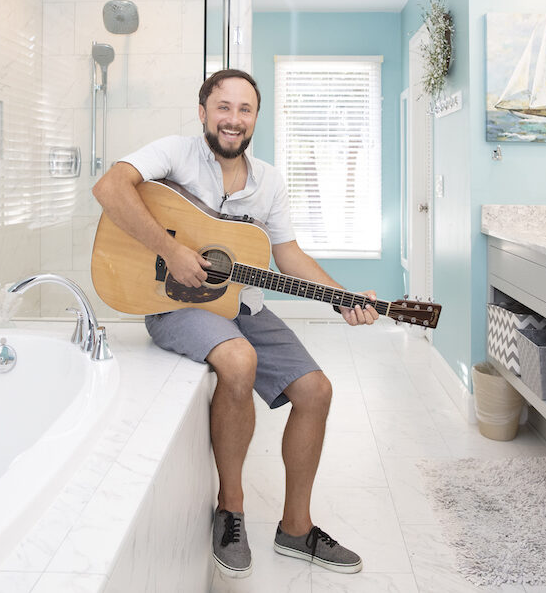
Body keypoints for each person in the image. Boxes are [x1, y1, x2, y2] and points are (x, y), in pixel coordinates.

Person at [92, 68, 379, 578]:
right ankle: (232, 508)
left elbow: (287, 255)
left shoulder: (269, 181)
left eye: (244, 110)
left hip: (241, 305)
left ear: (255, 120)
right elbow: (110, 187)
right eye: (223, 107)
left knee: (316, 390)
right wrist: (171, 249)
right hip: (174, 304)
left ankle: (296, 528)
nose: (233, 119)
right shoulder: (176, 153)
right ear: (203, 112)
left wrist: (343, 299)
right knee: (238, 359)